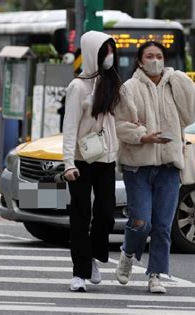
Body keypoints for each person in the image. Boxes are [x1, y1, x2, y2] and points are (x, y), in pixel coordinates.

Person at [114, 41, 195, 293]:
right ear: (140, 61)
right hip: (137, 166)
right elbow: (119, 125)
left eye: (159, 56)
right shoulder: (128, 88)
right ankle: (128, 253)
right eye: (149, 56)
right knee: (141, 221)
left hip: (169, 165)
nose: (155, 60)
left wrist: (180, 79)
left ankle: (156, 275)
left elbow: (192, 114)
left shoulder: (174, 85)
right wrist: (142, 135)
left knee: (163, 225)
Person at [62, 31, 121, 292]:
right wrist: (68, 164)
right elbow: (70, 128)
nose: (109, 56)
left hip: (106, 159)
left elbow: (121, 117)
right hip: (81, 161)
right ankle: (79, 272)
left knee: (106, 213)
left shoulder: (112, 82)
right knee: (80, 215)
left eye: (111, 50)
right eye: (104, 51)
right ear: (91, 53)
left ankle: (94, 255)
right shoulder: (77, 87)